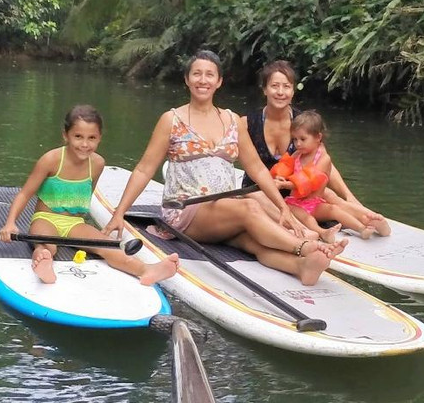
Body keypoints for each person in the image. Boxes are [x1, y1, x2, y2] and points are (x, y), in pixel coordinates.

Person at [102, 50, 344, 287]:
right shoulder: (171, 120)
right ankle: (304, 247)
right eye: (197, 74)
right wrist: (119, 213)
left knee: (253, 240)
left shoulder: (232, 120)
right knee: (250, 205)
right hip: (185, 209)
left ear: (219, 82)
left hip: (224, 210)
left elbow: (258, 170)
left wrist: (283, 209)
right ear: (187, 79)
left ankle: (301, 267)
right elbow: (145, 169)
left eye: (210, 75)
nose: (203, 80)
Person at [0, 104, 180, 285]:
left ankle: (146, 270)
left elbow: (86, 196)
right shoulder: (51, 160)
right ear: (66, 135)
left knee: (108, 246)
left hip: (75, 224)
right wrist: (10, 223)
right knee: (46, 247)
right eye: (78, 137)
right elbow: (24, 194)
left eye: (91, 138)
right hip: (46, 219)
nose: (85, 144)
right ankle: (44, 265)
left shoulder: (98, 164)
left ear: (99, 138)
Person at [241, 60, 387, 227]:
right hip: (260, 191)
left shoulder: (304, 123)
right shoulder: (247, 123)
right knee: (255, 199)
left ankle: (368, 219)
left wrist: (348, 195)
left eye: (286, 86)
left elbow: (323, 162)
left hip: (295, 192)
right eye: (275, 86)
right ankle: (306, 229)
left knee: (329, 194)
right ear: (265, 89)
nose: (280, 92)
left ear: (293, 90)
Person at [283, 111, 391, 238]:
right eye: (294, 140)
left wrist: (285, 184)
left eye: (302, 139)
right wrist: (280, 178)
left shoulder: (322, 157)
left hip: (314, 200)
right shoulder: (296, 155)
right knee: (312, 213)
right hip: (296, 202)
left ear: (318, 137)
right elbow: (285, 169)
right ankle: (323, 232)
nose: (298, 144)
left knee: (335, 206)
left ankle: (367, 223)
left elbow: (308, 182)